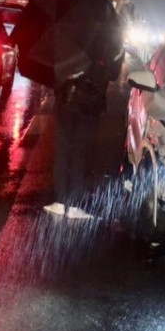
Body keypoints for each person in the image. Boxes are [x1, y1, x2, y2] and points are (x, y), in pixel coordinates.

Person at [43, 58, 114, 220]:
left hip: (66, 98)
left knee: (62, 150)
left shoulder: (68, 40)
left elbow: (56, 69)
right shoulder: (106, 40)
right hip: (90, 103)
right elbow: (113, 72)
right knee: (80, 152)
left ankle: (60, 201)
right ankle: (75, 204)